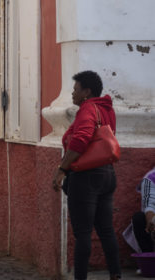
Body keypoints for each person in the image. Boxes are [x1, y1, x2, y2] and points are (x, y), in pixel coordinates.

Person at [52, 71, 121, 280]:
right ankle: (116, 275)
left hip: (86, 176)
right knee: (106, 230)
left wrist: (62, 169)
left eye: (76, 89)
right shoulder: (106, 109)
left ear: (86, 92)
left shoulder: (88, 109)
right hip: (107, 173)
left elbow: (81, 140)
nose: (73, 94)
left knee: (82, 234)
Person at [127, 165, 155, 254]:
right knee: (139, 218)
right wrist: (151, 221)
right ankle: (148, 258)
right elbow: (149, 205)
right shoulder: (150, 178)